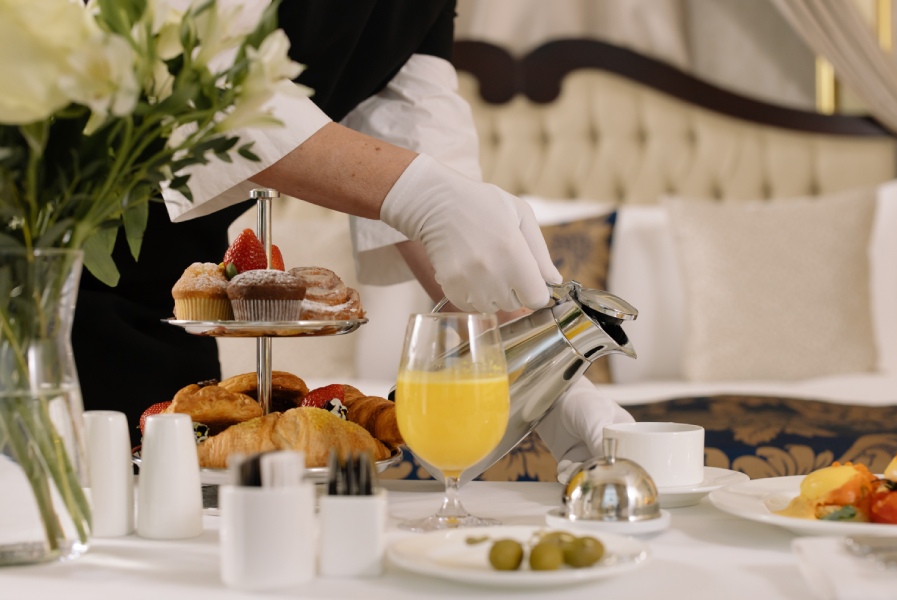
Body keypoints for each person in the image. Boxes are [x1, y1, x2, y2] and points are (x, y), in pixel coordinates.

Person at [77, 0, 633, 472]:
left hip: (158, 307)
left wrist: (548, 375)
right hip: (48, 265)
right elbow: (186, 63)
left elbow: (414, 125)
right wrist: (423, 195)